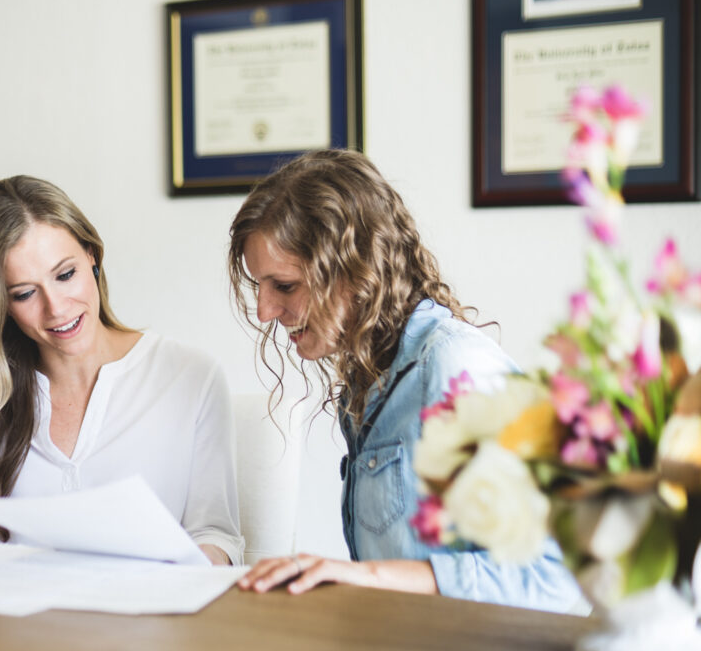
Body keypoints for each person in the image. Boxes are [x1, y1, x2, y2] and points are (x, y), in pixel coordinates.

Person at [228, 149, 582, 611]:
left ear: (353, 270)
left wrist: (366, 577)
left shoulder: (456, 367)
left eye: (285, 286)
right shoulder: (369, 380)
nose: (264, 311)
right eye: (259, 287)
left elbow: (559, 577)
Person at [0, 175, 244, 566]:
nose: (56, 308)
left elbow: (218, 537)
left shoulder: (191, 377)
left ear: (92, 255)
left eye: (65, 274)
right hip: (11, 621)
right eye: (24, 293)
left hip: (144, 619)